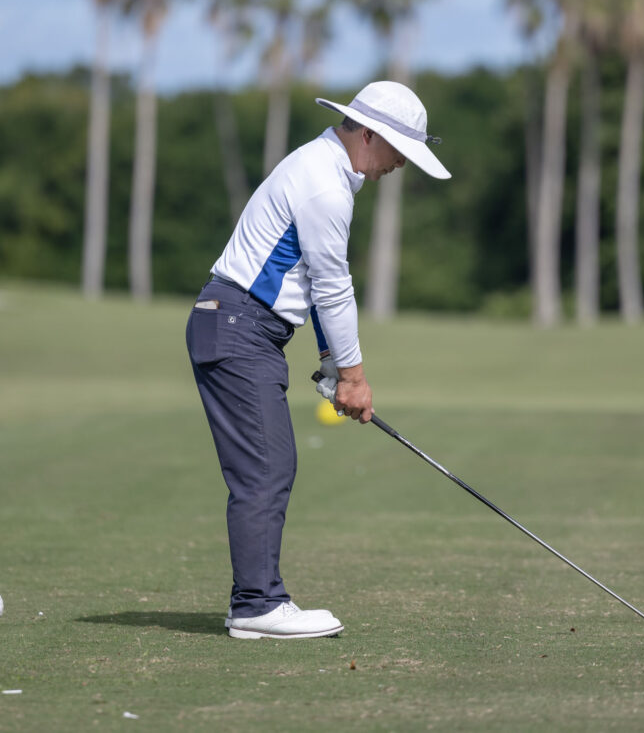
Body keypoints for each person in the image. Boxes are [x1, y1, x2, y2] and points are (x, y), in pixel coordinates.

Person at [185, 81, 450, 639]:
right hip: (239, 328)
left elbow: (307, 281)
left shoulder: (321, 167)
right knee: (265, 468)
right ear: (369, 135)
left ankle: (256, 602)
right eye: (400, 150)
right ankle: (256, 607)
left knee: (269, 466)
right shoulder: (325, 185)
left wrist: (332, 363)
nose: (401, 164)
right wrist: (353, 377)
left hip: (241, 327)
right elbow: (332, 287)